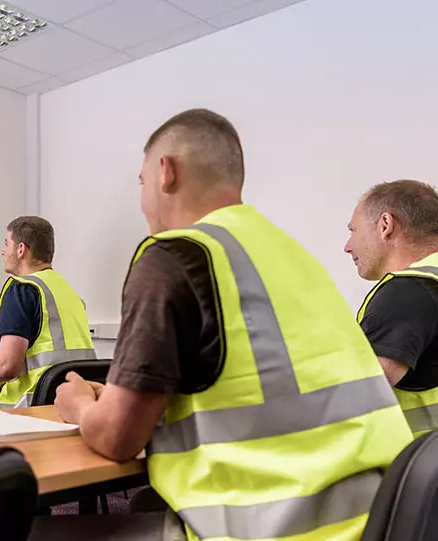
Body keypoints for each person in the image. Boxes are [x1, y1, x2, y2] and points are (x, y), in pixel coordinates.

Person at [50, 109, 410, 540]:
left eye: (141, 183)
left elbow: (117, 439)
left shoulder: (174, 255)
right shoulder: (292, 255)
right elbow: (262, 388)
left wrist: (78, 406)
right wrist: (118, 399)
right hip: (377, 520)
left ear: (166, 173)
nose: (143, 200)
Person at [0, 216, 94, 408]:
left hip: (31, 411)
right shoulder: (67, 291)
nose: (3, 251)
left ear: (21, 249)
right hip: (73, 405)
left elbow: (7, 368)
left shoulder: (22, 289)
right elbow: (52, 354)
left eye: (7, 244)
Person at [345, 179, 438, 436]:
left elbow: (359, 395)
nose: (347, 246)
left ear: (385, 225)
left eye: (353, 230)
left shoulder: (409, 292)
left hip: (422, 469)